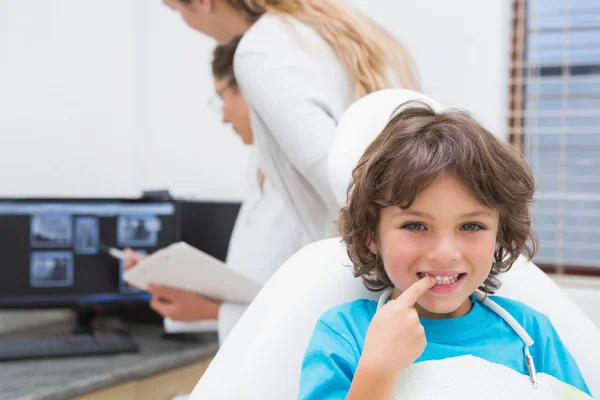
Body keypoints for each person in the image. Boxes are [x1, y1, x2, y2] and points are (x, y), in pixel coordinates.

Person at [297, 101, 592, 398]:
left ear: (499, 234)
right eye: (415, 226)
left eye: (471, 227)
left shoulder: (531, 335)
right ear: (372, 233)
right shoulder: (346, 334)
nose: (445, 253)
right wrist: (378, 370)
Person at [162, 0, 419, 241]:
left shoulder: (259, 52)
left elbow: (336, 178)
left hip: (369, 256)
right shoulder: (331, 27)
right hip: (403, 239)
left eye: (175, 9)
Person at [126, 37, 309, 343]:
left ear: (251, 89)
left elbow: (301, 310)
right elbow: (251, 284)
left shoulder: (301, 180)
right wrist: (171, 278)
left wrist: (210, 312)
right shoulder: (259, 167)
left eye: (222, 97)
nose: (224, 116)